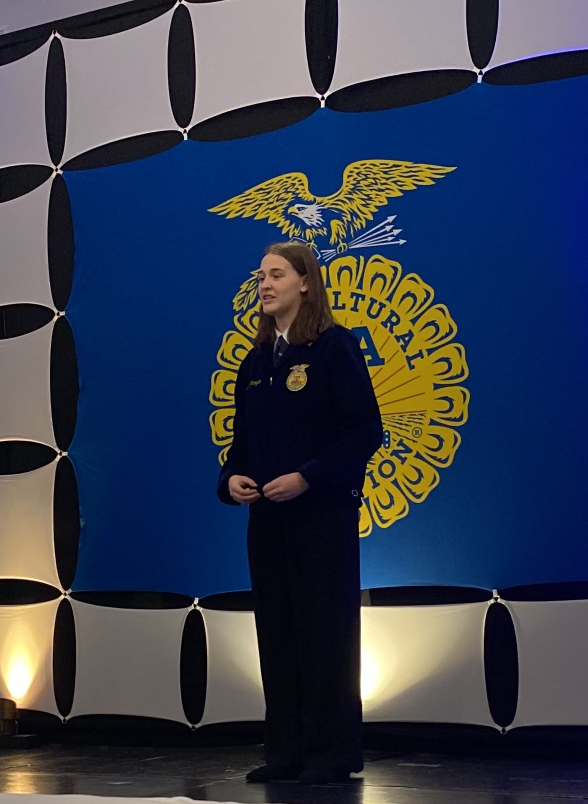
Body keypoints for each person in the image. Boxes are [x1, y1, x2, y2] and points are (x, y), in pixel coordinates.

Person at [217, 241, 383, 785]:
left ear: (305, 282)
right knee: (278, 634)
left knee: (325, 634)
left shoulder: (336, 348)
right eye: (260, 275)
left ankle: (330, 754)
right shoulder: (255, 362)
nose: (264, 284)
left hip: (322, 519)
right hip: (267, 522)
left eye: (276, 274)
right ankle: (284, 752)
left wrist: (308, 476)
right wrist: (230, 479)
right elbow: (241, 444)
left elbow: (364, 430)